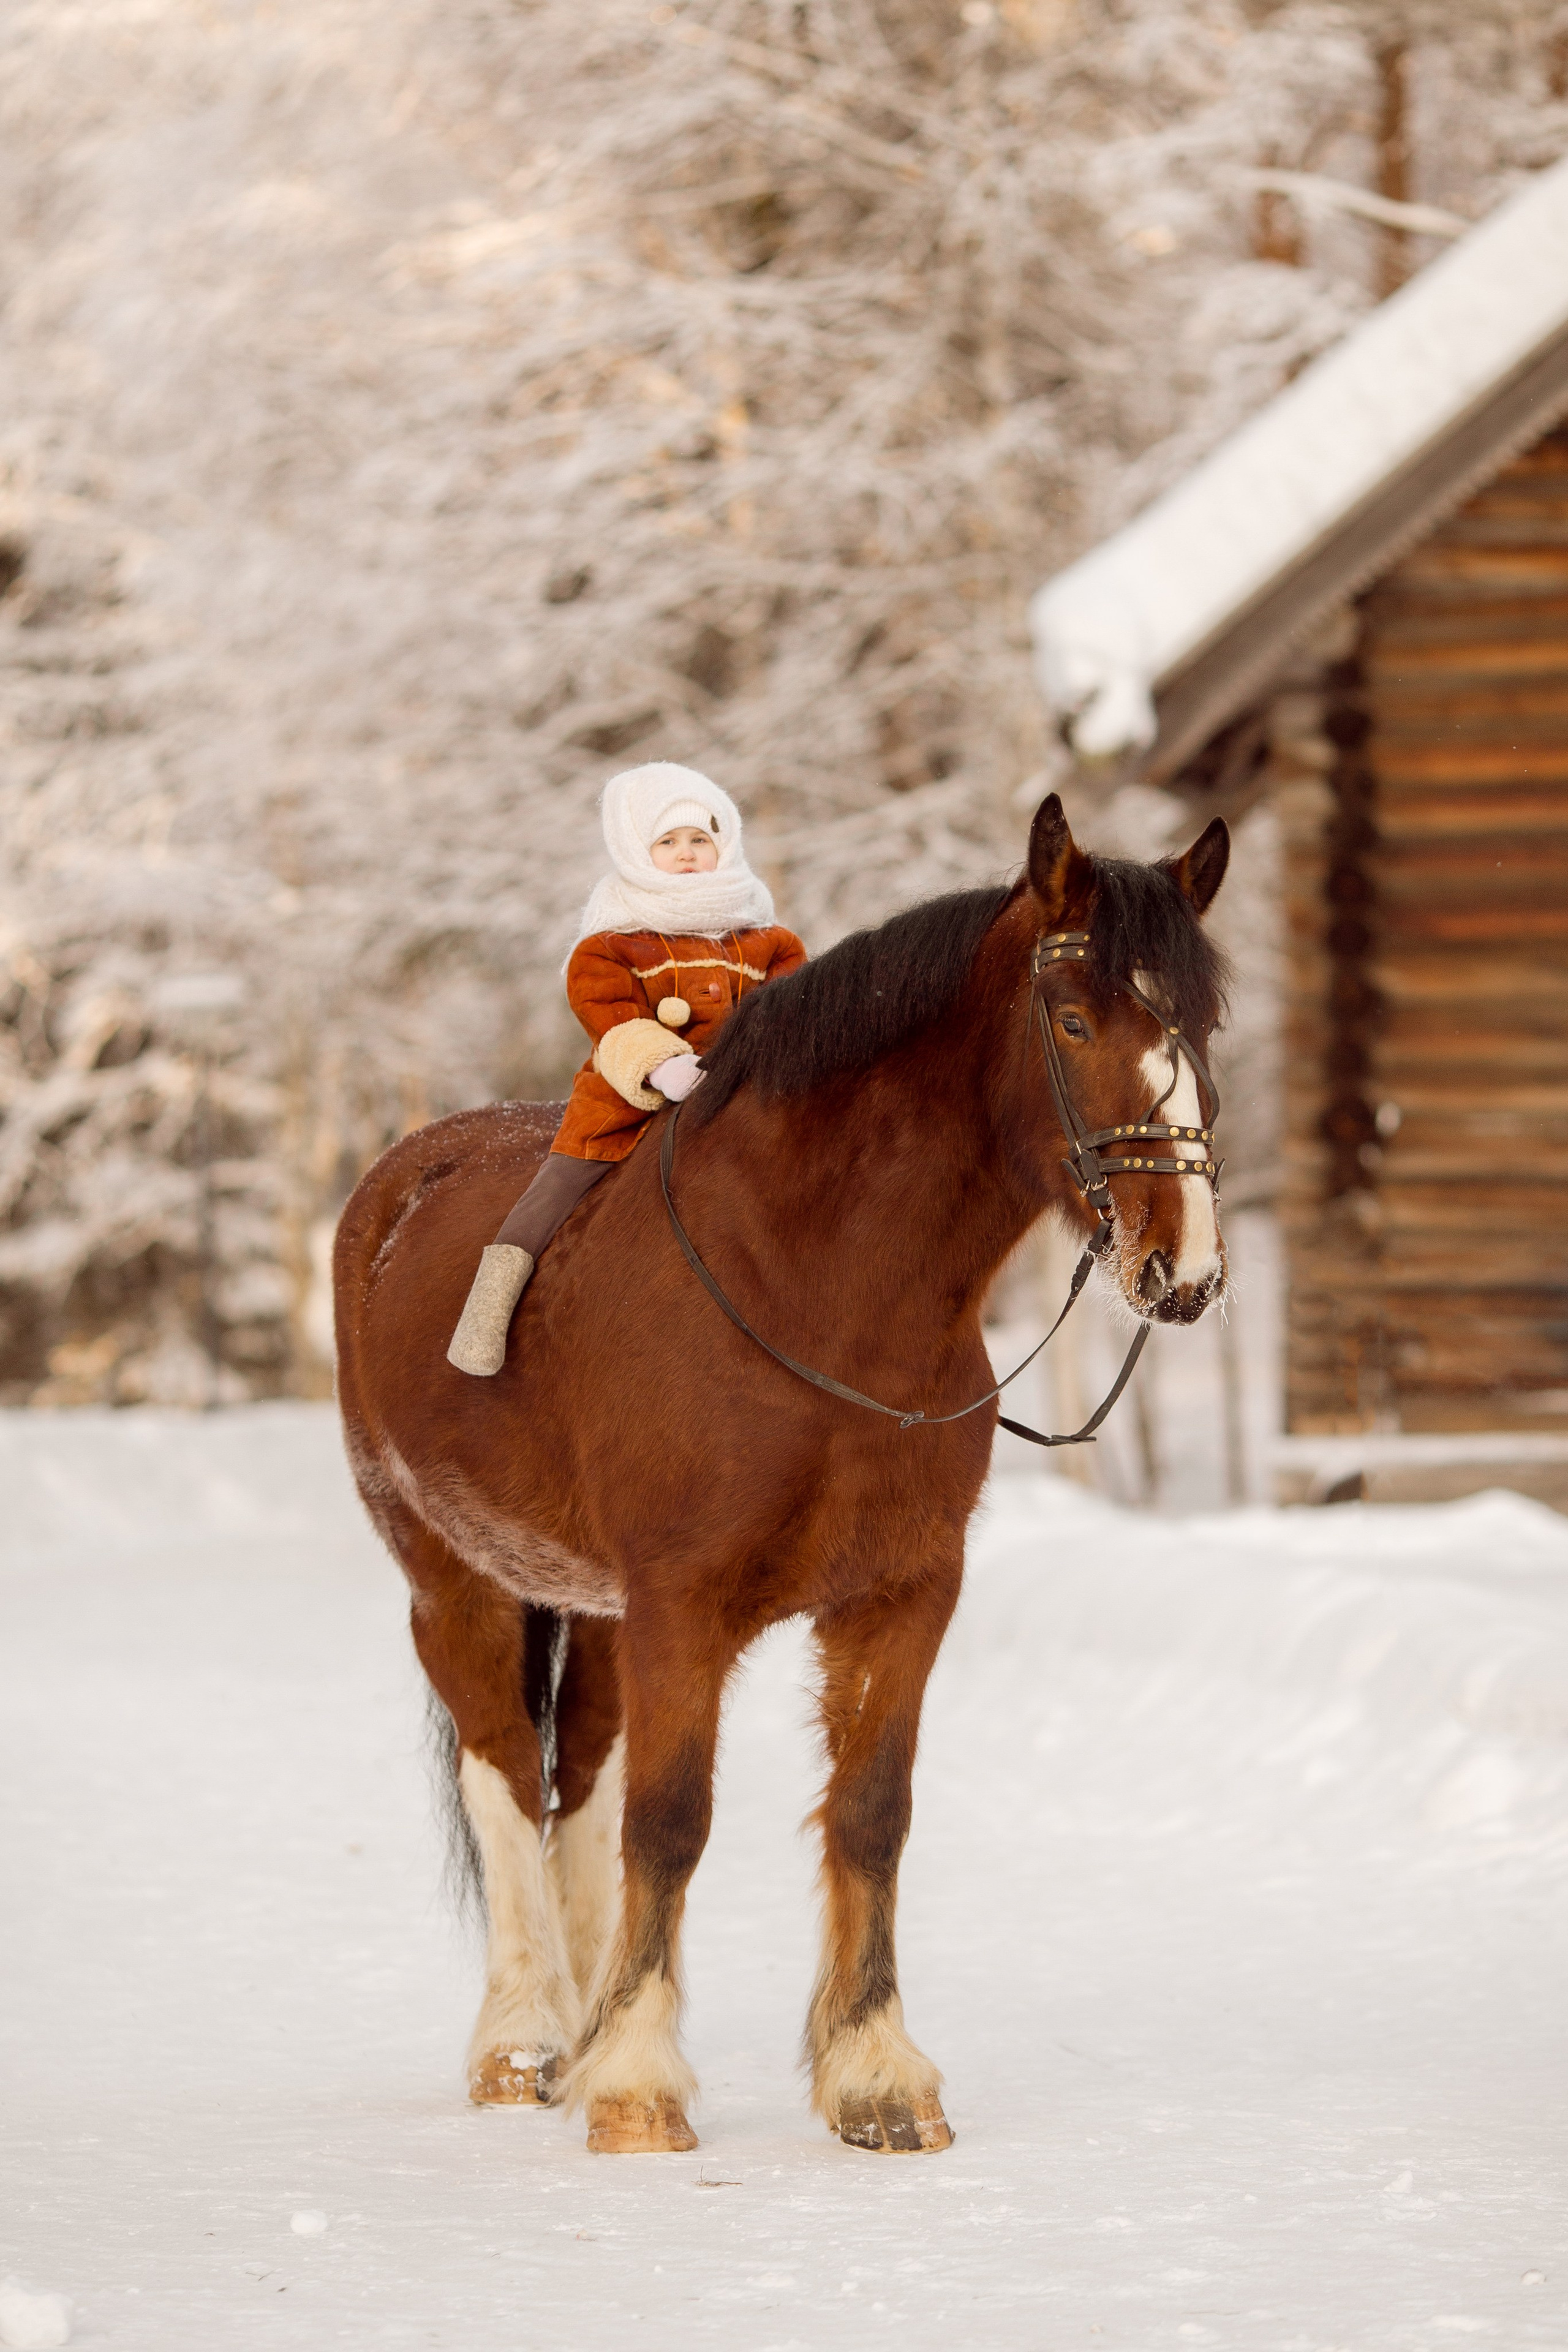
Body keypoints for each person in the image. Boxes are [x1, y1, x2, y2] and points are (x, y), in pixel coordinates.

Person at [447, 762, 807, 1374]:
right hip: (627, 1101)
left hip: (746, 1096)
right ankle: (491, 1307)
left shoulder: (768, 939)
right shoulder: (611, 943)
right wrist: (663, 1066)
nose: (687, 855)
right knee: (554, 1192)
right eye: (667, 843)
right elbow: (610, 1017)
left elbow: (794, 1010)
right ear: (638, 850)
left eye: (700, 840)